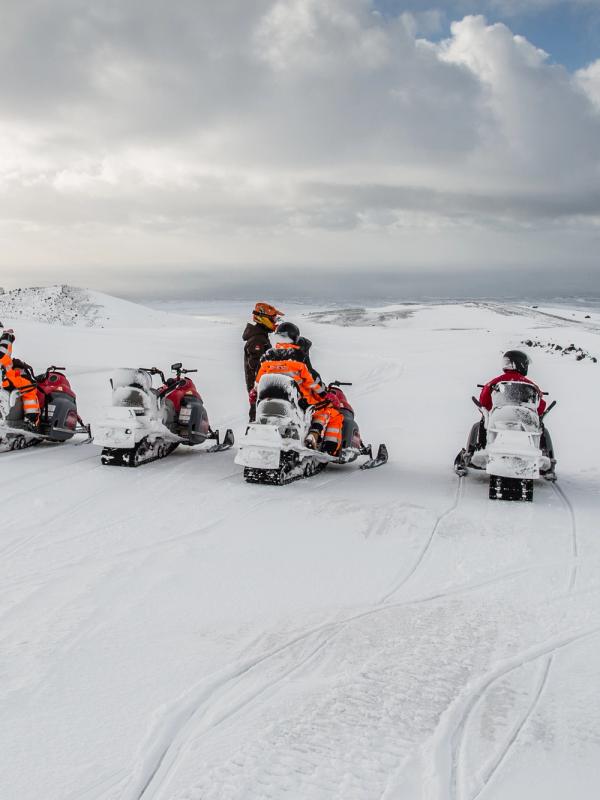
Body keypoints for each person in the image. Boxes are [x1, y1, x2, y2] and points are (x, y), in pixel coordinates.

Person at [253, 322, 344, 455]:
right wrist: (325, 393)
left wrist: (255, 392)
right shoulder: (299, 356)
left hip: (268, 399)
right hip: (298, 399)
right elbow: (313, 382)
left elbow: (257, 382)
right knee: (327, 409)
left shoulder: (267, 356)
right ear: (294, 337)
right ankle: (317, 437)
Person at [458, 349, 555, 471]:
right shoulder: (530, 385)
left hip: (500, 418)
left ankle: (481, 448)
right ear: (521, 365)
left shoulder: (496, 382)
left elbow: (484, 401)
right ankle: (544, 453)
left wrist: (488, 411)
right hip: (524, 420)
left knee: (482, 423)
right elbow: (540, 408)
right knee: (541, 428)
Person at [243, 302, 283, 420]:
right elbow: (257, 368)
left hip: (262, 390)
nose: (275, 321)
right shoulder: (257, 340)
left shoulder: (261, 337)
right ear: (263, 319)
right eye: (273, 318)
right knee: (258, 420)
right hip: (260, 391)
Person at [0, 322, 40, 428]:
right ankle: (31, 419)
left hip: (6, 376)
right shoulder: (4, 343)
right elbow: (3, 354)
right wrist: (7, 336)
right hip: (5, 378)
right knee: (30, 388)